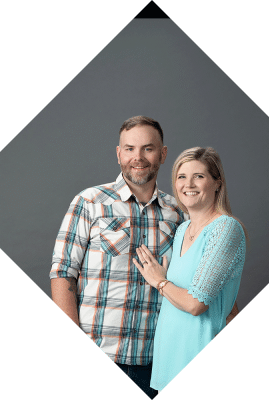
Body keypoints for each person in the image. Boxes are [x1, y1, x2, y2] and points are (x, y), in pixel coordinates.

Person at [49, 116, 185, 398]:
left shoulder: (177, 212)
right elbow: (63, 272)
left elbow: (189, 277)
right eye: (130, 148)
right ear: (118, 153)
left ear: (163, 154)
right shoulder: (90, 202)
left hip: (155, 362)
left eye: (148, 148)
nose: (138, 157)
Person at [133, 147, 247, 391]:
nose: (188, 184)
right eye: (182, 176)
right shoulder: (183, 229)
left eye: (199, 176)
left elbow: (196, 304)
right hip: (169, 357)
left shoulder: (225, 228)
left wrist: (159, 281)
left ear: (217, 183)